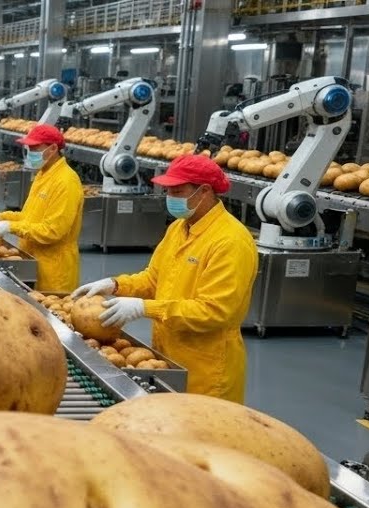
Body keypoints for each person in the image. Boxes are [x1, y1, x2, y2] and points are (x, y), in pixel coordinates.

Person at [72, 155, 257, 403]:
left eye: (178, 191)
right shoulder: (179, 228)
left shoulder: (230, 241)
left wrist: (144, 308)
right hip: (167, 355)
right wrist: (116, 285)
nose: (170, 197)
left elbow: (215, 311)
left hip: (206, 367)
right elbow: (153, 279)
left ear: (204, 191)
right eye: (168, 190)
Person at [0, 124, 83, 293]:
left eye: (34, 148)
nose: (30, 152)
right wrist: (0, 217)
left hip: (53, 269)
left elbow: (53, 230)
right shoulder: (43, 174)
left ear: (53, 148)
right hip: (32, 258)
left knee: (47, 314)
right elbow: (29, 216)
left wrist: (10, 227)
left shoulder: (66, 181)